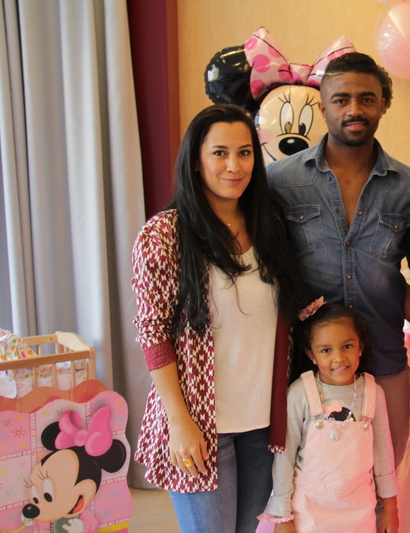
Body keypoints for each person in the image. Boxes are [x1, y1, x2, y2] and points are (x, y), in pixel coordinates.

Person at [131, 104, 306, 532]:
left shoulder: (269, 224)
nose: (234, 166)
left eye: (244, 153)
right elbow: (153, 334)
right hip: (200, 421)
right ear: (196, 160)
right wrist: (179, 421)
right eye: (220, 153)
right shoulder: (164, 234)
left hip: (262, 422)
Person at [266, 52, 410, 466]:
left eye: (367, 99)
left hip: (384, 360)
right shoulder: (279, 181)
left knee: (383, 476)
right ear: (322, 107)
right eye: (341, 100)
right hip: (307, 367)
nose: (354, 109)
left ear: (383, 104)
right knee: (304, 480)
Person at [260, 302, 399, 533]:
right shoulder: (300, 393)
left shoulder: (374, 393)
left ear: (360, 347)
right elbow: (284, 456)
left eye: (347, 346)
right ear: (311, 355)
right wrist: (282, 516)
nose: (338, 358)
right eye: (326, 350)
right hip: (309, 507)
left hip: (359, 507)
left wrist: (391, 508)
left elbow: (384, 454)